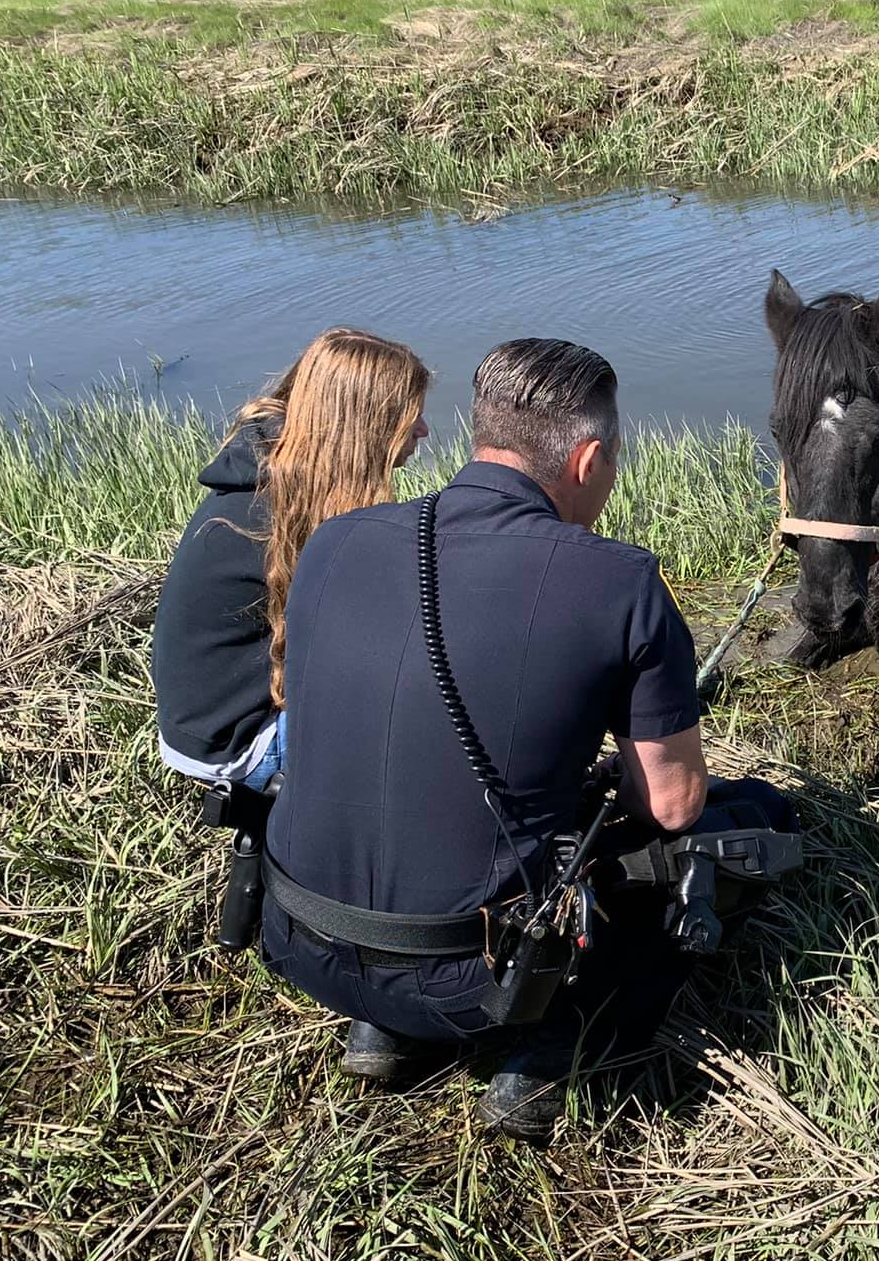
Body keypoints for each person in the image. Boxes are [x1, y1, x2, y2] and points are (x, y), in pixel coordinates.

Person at [261, 338, 793, 1140]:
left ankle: (383, 1030)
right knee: (753, 821)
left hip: (300, 940)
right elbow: (674, 806)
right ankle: (548, 1053)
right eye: (612, 463)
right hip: (474, 983)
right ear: (587, 459)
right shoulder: (620, 580)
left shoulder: (335, 543)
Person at [152, 328, 431, 789]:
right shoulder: (270, 513)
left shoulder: (282, 483)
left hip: (207, 724)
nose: (422, 429)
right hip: (235, 741)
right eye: (410, 416)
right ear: (369, 423)